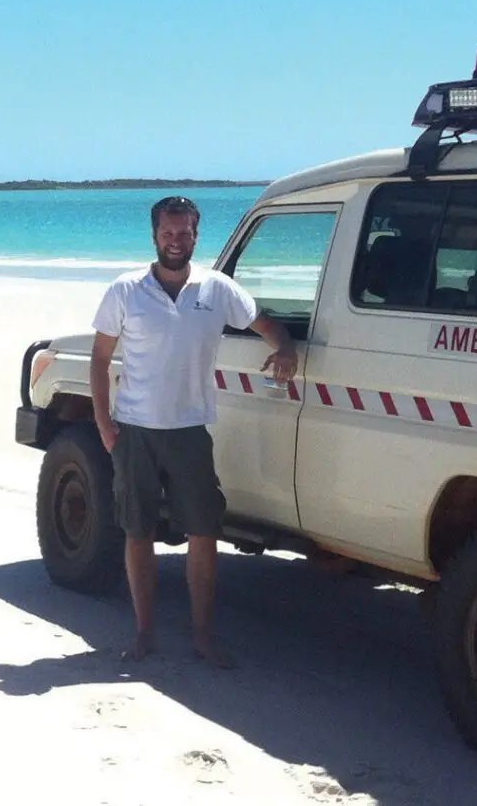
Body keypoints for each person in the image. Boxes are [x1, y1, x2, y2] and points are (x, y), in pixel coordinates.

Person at [89, 195, 298, 667]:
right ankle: (144, 633)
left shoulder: (217, 288)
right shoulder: (126, 290)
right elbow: (101, 361)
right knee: (137, 531)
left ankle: (204, 636)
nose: (176, 241)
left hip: (189, 431)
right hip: (134, 431)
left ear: (196, 236)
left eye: (185, 233)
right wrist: (105, 426)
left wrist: (286, 347)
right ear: (154, 234)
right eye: (168, 232)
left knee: (204, 531)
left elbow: (267, 326)